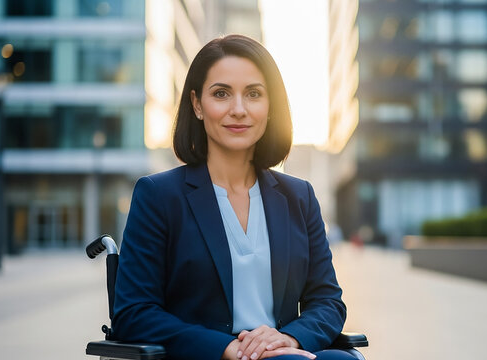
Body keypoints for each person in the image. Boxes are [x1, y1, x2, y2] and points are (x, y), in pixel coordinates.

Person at [112, 34, 356, 360]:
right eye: (222, 94)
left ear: (270, 107)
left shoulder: (299, 197)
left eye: (253, 94)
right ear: (197, 105)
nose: (238, 110)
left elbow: (327, 301)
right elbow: (133, 312)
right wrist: (226, 348)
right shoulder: (158, 196)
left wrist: (289, 339)